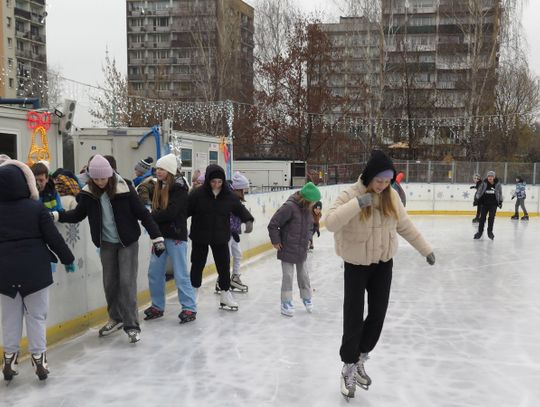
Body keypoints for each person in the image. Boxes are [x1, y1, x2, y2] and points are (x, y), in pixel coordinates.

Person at [325, 150, 435, 399]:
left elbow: (405, 225)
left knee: (377, 314)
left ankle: (361, 358)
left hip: (383, 263)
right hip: (355, 264)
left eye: (387, 182)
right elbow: (330, 223)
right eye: (379, 181)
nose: (383, 186)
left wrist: (425, 249)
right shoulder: (350, 194)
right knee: (353, 317)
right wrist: (358, 203)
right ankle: (348, 366)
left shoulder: (391, 196)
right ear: (369, 176)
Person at [53, 155, 165, 343]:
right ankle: (116, 318)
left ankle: (131, 325)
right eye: (96, 179)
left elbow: (143, 214)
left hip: (127, 242)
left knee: (127, 283)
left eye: (103, 179)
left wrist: (157, 237)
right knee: (110, 283)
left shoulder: (125, 189)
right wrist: (57, 215)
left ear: (110, 176)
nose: (100, 182)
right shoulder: (89, 193)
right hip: (106, 243)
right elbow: (78, 214)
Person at [0, 159, 75, 382]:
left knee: (9, 318)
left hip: (4, 273)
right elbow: (54, 237)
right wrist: (67, 258)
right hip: (36, 271)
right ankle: (39, 358)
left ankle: (9, 359)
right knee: (37, 317)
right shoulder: (36, 207)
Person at [188, 164, 254, 311]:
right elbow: (184, 211)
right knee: (197, 264)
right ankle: (194, 291)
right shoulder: (197, 195)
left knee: (224, 266)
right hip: (200, 235)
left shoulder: (228, 196)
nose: (216, 185)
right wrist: (176, 225)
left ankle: (225, 294)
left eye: (219, 182)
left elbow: (239, 208)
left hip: (221, 236)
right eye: (213, 182)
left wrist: (248, 220)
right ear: (208, 181)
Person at [143, 154, 198, 323]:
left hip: (176, 236)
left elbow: (172, 213)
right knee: (154, 272)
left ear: (170, 171)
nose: (158, 172)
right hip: (160, 237)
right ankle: (157, 306)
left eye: (162, 169)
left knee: (180, 273)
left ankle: (189, 307)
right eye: (157, 169)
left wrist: (151, 217)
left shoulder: (180, 188)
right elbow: (141, 192)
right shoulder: (159, 186)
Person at [268, 182, 321, 317]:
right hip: (287, 247)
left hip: (301, 248)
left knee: (304, 275)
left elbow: (310, 227)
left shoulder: (308, 208)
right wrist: (276, 241)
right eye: (312, 202)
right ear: (306, 199)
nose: (314, 205)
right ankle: (286, 302)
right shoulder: (289, 207)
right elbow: (273, 224)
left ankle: (306, 297)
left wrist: (309, 238)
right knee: (288, 276)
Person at [223, 171, 251, 293]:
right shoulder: (229, 198)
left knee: (237, 254)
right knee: (226, 257)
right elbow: (227, 217)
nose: (245, 192)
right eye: (244, 189)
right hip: (226, 233)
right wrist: (232, 231)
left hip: (232, 233)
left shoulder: (235, 198)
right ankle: (222, 280)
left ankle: (234, 277)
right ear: (238, 189)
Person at [474, 170, 503, 240]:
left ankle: (490, 232)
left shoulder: (497, 184)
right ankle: (479, 232)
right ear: (487, 177)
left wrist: (500, 201)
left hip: (493, 204)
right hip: (484, 204)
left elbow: (500, 193)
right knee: (482, 218)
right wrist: (477, 199)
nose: (490, 178)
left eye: (491, 176)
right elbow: (479, 191)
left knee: (491, 218)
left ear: (494, 177)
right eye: (489, 176)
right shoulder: (484, 183)